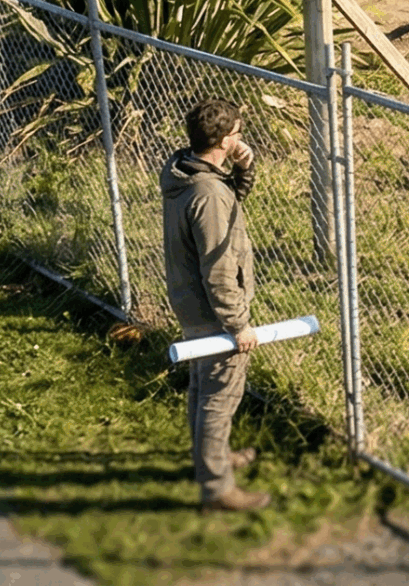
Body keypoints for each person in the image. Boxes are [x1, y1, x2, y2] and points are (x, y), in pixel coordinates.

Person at [162, 98, 270, 512]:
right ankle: (217, 487)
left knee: (203, 387)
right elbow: (220, 270)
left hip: (190, 301)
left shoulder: (186, 172)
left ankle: (211, 457)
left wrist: (243, 169)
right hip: (214, 312)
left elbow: (230, 203)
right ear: (225, 140)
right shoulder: (207, 195)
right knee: (219, 397)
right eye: (238, 132)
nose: (241, 138)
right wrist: (237, 324)